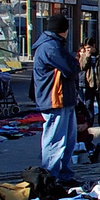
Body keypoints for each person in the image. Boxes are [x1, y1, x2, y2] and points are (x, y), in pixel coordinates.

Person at [32, 14, 80, 182]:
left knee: (68, 140)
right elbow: (72, 69)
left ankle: (64, 175)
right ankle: (50, 178)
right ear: (64, 30)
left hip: (63, 99)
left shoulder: (52, 45)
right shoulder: (51, 47)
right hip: (55, 99)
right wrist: (75, 63)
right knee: (56, 141)